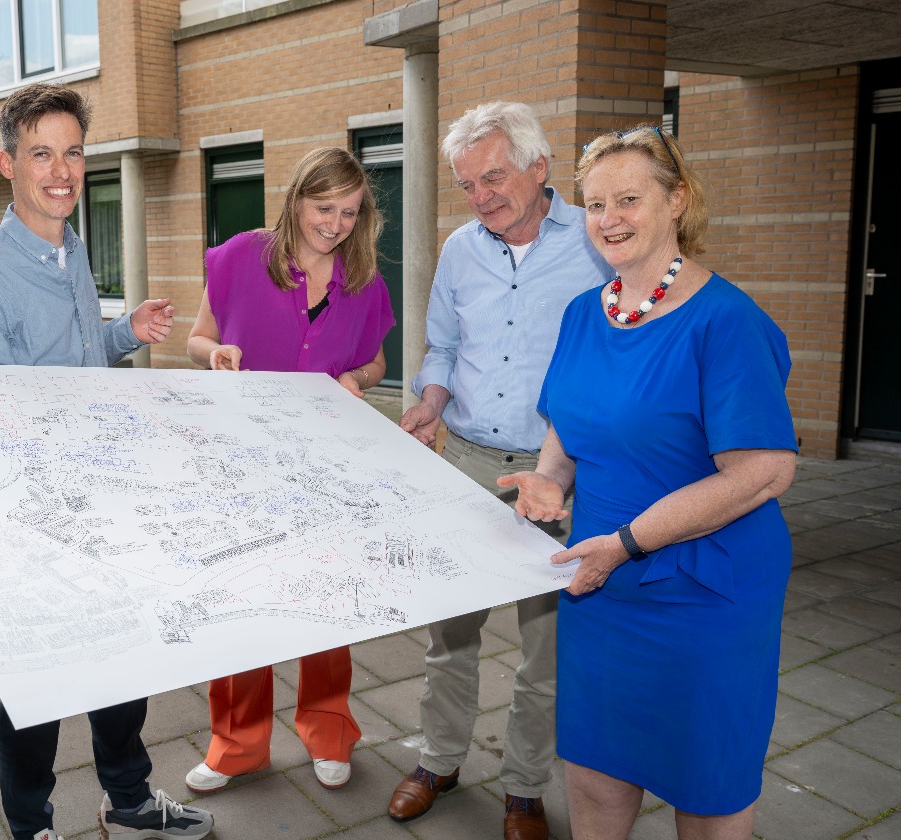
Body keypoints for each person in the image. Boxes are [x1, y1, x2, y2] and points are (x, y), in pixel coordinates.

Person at [501, 126, 797, 839]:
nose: (609, 218)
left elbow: (764, 470)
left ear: (678, 200)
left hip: (705, 594)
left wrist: (627, 543)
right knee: (596, 784)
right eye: (595, 203)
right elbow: (568, 426)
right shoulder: (584, 313)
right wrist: (548, 482)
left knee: (707, 795)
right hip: (600, 590)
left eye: (629, 198)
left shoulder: (725, 321)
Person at [0, 82, 213, 840]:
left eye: (73, 151)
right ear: (7, 164)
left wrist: (123, 335)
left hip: (105, 503)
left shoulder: (69, 247)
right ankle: (30, 826)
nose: (61, 170)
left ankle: (127, 797)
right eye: (41, 154)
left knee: (126, 666)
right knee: (40, 685)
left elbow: (68, 366)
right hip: (34, 521)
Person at [388, 101, 611, 840]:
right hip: (471, 463)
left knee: (546, 649)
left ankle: (522, 787)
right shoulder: (460, 250)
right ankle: (440, 761)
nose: (481, 197)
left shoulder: (595, 240)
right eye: (467, 185)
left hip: (560, 475)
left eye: (493, 177)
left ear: (538, 166)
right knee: (449, 635)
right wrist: (430, 400)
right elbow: (443, 347)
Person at [183, 145, 395, 794]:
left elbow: (376, 365)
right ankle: (238, 745)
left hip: (325, 469)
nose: (335, 224)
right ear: (296, 199)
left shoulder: (367, 281)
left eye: (350, 213)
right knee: (244, 602)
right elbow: (196, 339)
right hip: (241, 466)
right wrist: (216, 353)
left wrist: (355, 377)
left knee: (328, 605)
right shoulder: (241, 257)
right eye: (323, 207)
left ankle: (328, 731)